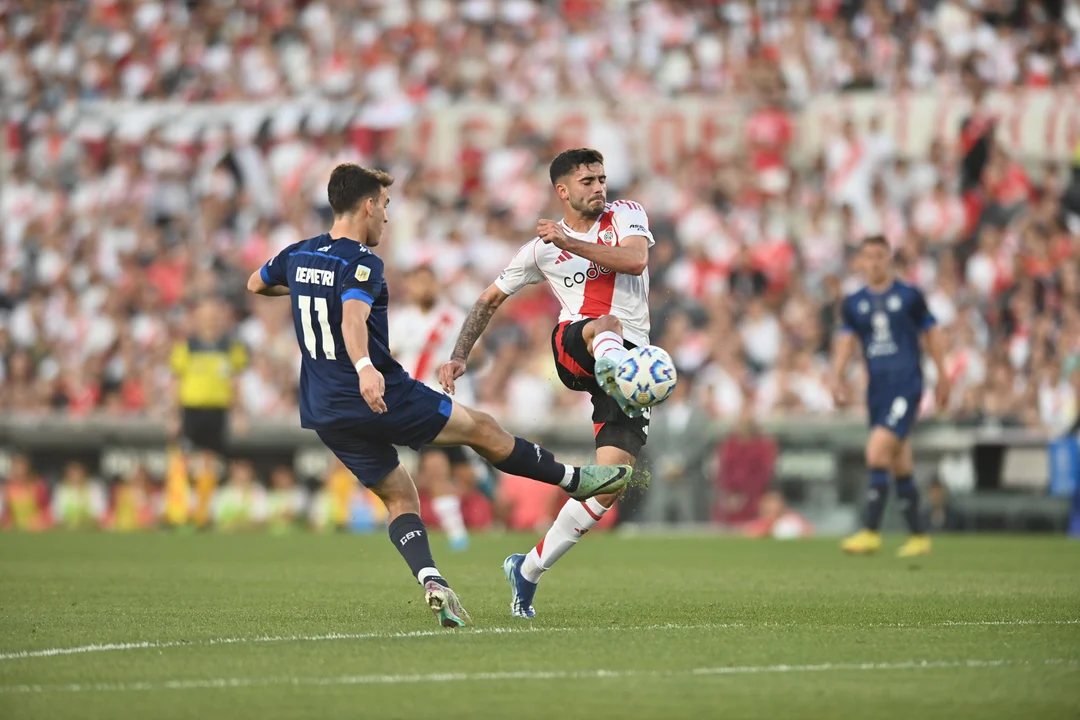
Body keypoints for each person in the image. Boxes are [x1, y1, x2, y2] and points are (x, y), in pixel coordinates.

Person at [246, 163, 630, 629]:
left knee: (401, 498)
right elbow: (351, 320)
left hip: (323, 408)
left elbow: (256, 283)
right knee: (481, 429)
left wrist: (309, 289)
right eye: (385, 207)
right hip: (379, 392)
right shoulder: (362, 263)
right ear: (368, 205)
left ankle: (431, 579)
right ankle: (575, 479)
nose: (386, 218)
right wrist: (366, 369)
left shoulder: (299, 254)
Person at [439, 148, 654, 619]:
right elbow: (488, 299)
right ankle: (612, 364)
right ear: (562, 191)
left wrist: (569, 242)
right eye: (587, 181)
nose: (599, 187)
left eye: (601, 178)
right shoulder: (538, 250)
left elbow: (635, 262)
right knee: (606, 323)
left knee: (611, 483)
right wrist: (459, 356)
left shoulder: (627, 215)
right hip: (577, 345)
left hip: (628, 358)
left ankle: (528, 570)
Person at [830, 235, 950, 558]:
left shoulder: (909, 296)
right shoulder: (854, 303)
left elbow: (932, 334)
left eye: (880, 256)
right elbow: (846, 339)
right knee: (899, 461)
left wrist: (943, 375)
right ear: (860, 261)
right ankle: (919, 536)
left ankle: (870, 531)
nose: (874, 262)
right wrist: (837, 376)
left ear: (890, 260)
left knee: (876, 452)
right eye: (868, 256)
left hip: (906, 385)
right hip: (877, 390)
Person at [389, 265, 477, 551]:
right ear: (410, 287)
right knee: (436, 467)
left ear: (437, 285)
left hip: (455, 403)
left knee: (466, 478)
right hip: (420, 404)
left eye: (429, 282)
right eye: (418, 282)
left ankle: (478, 487)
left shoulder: (453, 318)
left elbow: (478, 356)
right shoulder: (400, 320)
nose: (424, 288)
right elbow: (385, 358)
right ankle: (457, 535)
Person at [169, 298, 249, 527]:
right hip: (191, 408)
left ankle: (205, 512)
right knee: (187, 461)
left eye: (214, 317)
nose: (210, 322)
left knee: (212, 462)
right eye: (205, 317)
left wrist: (239, 412)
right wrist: (174, 415)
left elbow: (236, 382)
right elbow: (177, 381)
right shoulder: (186, 347)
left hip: (218, 409)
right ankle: (183, 511)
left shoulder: (231, 347)